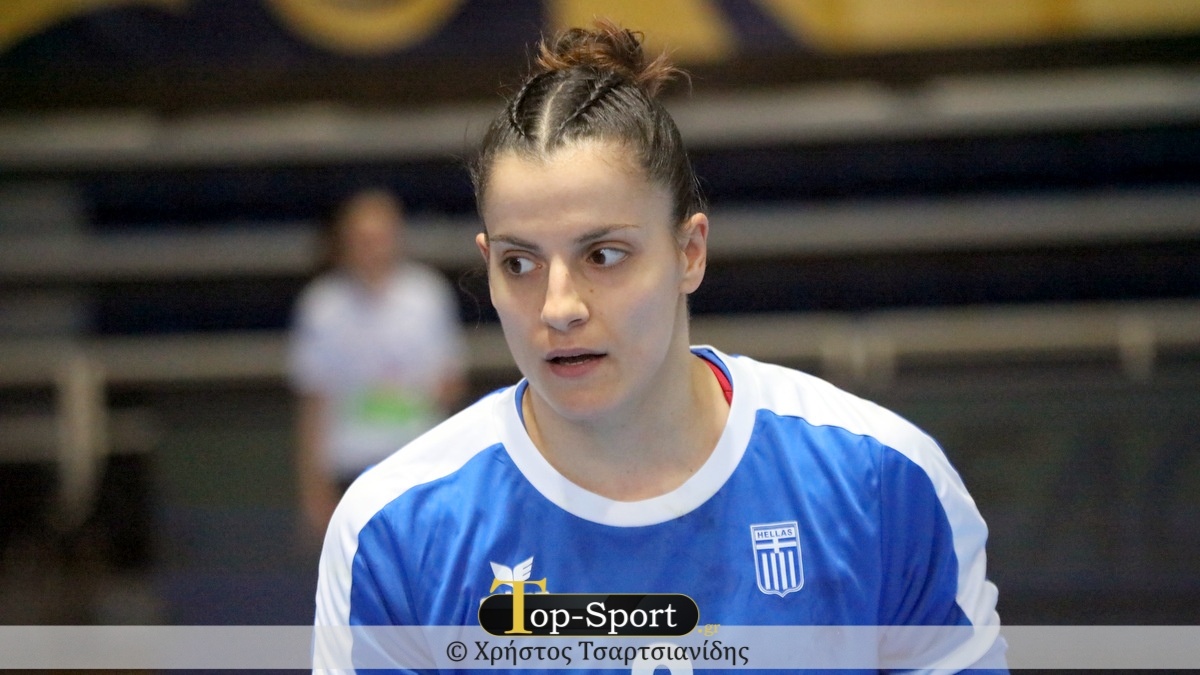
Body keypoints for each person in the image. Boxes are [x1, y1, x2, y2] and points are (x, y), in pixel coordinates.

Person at [313, 22, 1005, 673]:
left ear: (689, 251)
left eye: (603, 255)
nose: (558, 307)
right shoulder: (393, 532)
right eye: (519, 263)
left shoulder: (882, 483)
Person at [289, 189, 465, 536]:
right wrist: (313, 490)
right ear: (343, 242)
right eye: (362, 239)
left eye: (380, 237)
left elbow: (451, 383)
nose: (372, 248)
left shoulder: (427, 295)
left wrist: (408, 403)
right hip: (349, 468)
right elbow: (312, 403)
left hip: (416, 465)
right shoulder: (321, 306)